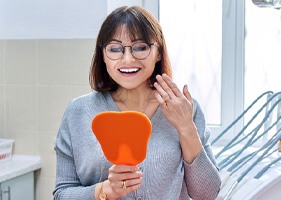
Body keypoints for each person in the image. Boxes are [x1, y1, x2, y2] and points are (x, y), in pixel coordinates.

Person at [53, 5, 221, 200]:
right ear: (103, 55)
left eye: (140, 47)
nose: (128, 59)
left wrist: (186, 127)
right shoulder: (77, 112)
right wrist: (106, 190)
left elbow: (208, 194)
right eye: (115, 49)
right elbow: (62, 194)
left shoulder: (184, 109)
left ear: (158, 52)